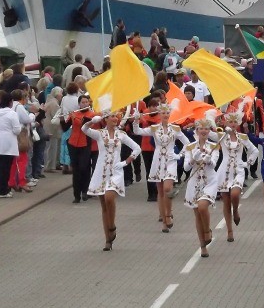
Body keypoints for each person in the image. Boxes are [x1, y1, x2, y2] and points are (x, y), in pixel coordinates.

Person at [81, 112, 140, 251]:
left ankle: (112, 226)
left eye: (116, 116)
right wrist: (91, 121)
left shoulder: (121, 134)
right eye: (112, 116)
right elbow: (84, 129)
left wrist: (127, 161)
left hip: (116, 171)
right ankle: (108, 239)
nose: (115, 119)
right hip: (101, 171)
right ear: (105, 119)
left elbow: (137, 148)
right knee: (103, 205)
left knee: (109, 198)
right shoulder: (99, 134)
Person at [133, 103, 189, 232]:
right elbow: (137, 131)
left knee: (167, 188)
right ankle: (164, 220)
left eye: (167, 113)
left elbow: (187, 143)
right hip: (157, 160)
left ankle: (169, 214)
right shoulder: (154, 129)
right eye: (163, 113)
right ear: (160, 114)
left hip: (170, 161)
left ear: (170, 114)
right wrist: (136, 120)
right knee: (161, 191)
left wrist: (179, 155)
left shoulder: (175, 129)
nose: (165, 115)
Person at [214, 109, 258, 242]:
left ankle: (236, 211)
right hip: (224, 171)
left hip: (238, 171)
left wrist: (247, 163)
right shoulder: (222, 136)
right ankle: (229, 231)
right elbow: (206, 133)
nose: (233, 124)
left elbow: (254, 151)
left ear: (238, 123)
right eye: (230, 121)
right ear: (226, 122)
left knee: (234, 194)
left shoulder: (242, 137)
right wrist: (213, 122)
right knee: (226, 202)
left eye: (235, 121)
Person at [183, 116, 220, 258]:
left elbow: (213, 164)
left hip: (210, 181)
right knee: (197, 213)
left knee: (203, 206)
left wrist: (208, 158)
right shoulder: (190, 147)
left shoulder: (215, 146)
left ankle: (207, 230)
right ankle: (203, 246)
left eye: (206, 128)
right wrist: (194, 158)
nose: (203, 131)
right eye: (201, 128)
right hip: (195, 182)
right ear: (196, 130)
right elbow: (186, 168)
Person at [0, 92, 22, 198]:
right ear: (10, 102)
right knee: (6, 168)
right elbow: (17, 130)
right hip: (8, 144)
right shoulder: (12, 114)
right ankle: (3, 190)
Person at [67, 95, 95, 203]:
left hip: (85, 144)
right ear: (79, 104)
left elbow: (84, 124)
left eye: (86, 102)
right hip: (73, 143)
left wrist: (75, 118)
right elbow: (65, 126)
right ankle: (76, 195)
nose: (84, 104)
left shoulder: (91, 115)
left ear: (89, 103)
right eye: (82, 102)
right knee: (76, 170)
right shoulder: (75, 113)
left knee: (84, 168)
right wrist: (62, 118)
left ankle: (85, 190)